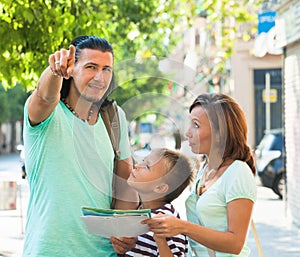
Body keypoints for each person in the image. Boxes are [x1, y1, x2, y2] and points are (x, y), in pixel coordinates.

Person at [22, 35, 138, 256]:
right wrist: (54, 71)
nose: (99, 77)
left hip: (103, 252)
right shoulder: (47, 114)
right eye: (91, 67)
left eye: (106, 69)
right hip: (49, 250)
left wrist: (123, 228)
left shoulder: (114, 116)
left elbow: (125, 182)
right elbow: (44, 96)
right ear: (71, 69)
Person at [143, 93, 257, 257]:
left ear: (220, 134)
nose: (188, 133)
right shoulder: (204, 169)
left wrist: (182, 227)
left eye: (196, 125)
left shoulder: (238, 172)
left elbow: (235, 244)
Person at [125, 148, 194, 257]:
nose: (138, 166)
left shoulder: (167, 221)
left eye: (147, 166)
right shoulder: (139, 210)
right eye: (143, 160)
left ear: (160, 187)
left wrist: (161, 240)